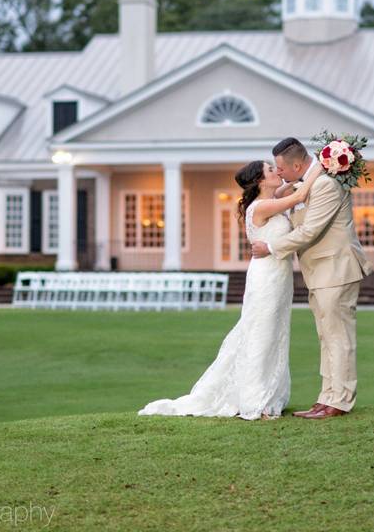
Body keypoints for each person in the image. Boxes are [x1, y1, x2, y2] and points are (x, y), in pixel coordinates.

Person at [138, 157, 322, 420]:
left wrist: (301, 175)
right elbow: (299, 194)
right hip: (266, 277)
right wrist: (323, 164)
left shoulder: (270, 199)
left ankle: (270, 395)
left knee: (275, 332)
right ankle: (254, 400)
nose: (277, 171)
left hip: (279, 277)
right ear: (260, 180)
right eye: (271, 169)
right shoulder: (261, 207)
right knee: (261, 333)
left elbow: (290, 188)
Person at [250, 137, 374, 419]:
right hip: (319, 272)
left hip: (336, 269)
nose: (278, 173)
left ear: (296, 164)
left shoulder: (325, 186)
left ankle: (339, 401)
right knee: (326, 336)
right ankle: (326, 397)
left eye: (280, 168)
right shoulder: (302, 184)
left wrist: (270, 247)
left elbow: (311, 231)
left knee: (338, 336)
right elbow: (287, 197)